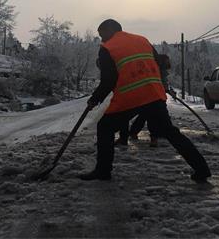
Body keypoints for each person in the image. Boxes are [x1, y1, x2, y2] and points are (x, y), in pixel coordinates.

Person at [78, 19, 211, 182]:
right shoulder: (142, 40)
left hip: (131, 96)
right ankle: (202, 169)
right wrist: (161, 84)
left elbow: (108, 80)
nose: (102, 39)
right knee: (170, 132)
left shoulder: (107, 48)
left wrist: (94, 99)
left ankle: (103, 171)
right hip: (153, 93)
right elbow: (158, 63)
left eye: (102, 35)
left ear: (110, 30)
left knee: (105, 127)